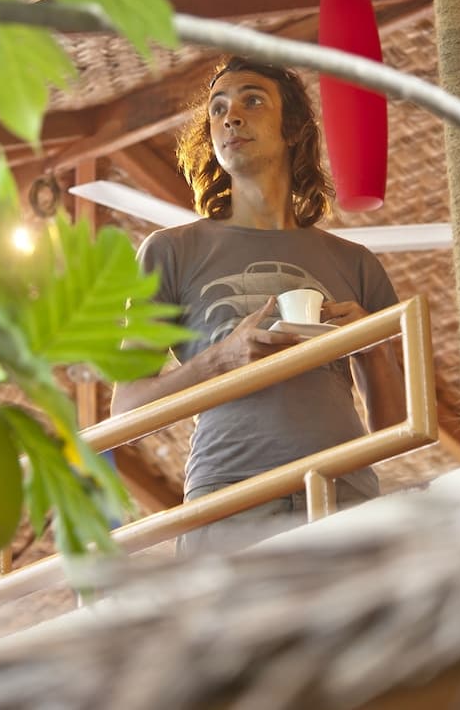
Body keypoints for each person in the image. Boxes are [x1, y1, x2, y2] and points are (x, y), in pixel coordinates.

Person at [112, 56, 406, 552]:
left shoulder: (357, 263)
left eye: (252, 101)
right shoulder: (170, 252)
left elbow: (395, 432)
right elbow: (126, 412)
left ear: (292, 128)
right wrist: (221, 360)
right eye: (218, 108)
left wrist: (369, 346)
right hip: (228, 501)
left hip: (345, 495)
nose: (230, 117)